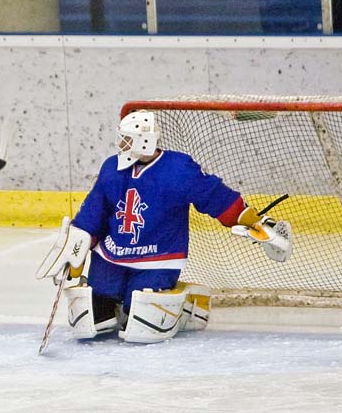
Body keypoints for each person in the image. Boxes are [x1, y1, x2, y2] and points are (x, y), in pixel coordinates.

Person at [36, 111, 291, 344]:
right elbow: (94, 212)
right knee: (89, 315)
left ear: (144, 140)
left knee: (141, 322)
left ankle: (187, 303)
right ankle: (121, 301)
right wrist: (77, 245)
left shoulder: (178, 169)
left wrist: (252, 221)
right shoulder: (111, 168)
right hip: (111, 256)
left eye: (127, 139)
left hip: (158, 258)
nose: (121, 145)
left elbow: (215, 197)